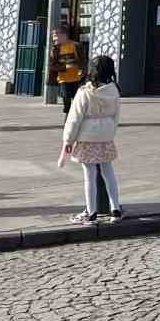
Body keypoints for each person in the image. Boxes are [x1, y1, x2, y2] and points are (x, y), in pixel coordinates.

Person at [60, 55, 124, 224]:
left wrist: (68, 140)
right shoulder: (114, 90)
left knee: (89, 175)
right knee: (108, 172)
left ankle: (91, 211)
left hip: (87, 137)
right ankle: (115, 209)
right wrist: (110, 133)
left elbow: (74, 119)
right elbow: (116, 116)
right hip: (106, 137)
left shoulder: (84, 92)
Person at [52, 23, 85, 113]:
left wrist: (82, 70)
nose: (54, 38)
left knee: (77, 101)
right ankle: (67, 120)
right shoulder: (55, 49)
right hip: (63, 79)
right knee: (66, 99)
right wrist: (65, 67)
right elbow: (52, 65)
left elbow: (83, 61)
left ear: (64, 35)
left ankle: (75, 119)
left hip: (77, 78)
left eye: (55, 35)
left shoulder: (76, 46)